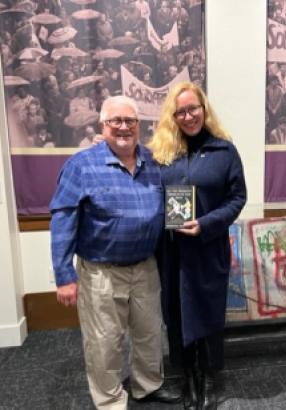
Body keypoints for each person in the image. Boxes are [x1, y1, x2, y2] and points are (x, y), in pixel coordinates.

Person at [49, 96, 181, 410]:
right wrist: (64, 275)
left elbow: (176, 203)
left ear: (139, 125)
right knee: (104, 341)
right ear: (102, 126)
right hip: (100, 272)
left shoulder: (154, 162)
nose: (123, 127)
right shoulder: (81, 165)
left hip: (146, 267)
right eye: (115, 121)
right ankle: (109, 400)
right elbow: (63, 220)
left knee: (149, 333)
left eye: (130, 121)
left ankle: (147, 386)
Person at [147, 82, 247, 410]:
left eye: (193, 108)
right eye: (181, 112)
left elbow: (237, 197)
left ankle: (207, 375)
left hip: (208, 247)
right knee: (175, 313)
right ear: (172, 116)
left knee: (207, 311)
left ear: (204, 109)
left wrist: (207, 224)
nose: (188, 116)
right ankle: (187, 374)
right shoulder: (161, 154)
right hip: (171, 251)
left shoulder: (224, 151)